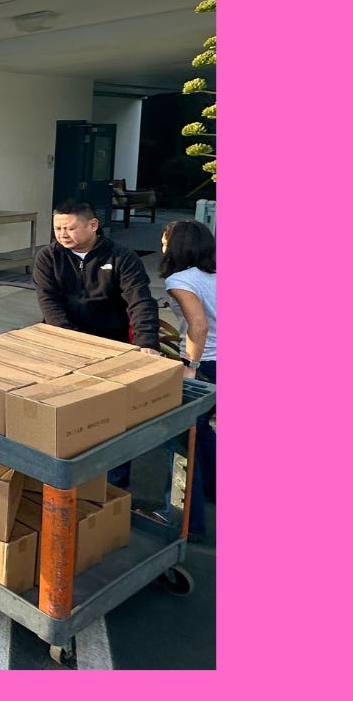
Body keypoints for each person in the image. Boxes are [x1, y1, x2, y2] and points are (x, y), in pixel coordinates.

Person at [33, 198, 160, 488]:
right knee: (64, 414)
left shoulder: (121, 257)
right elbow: (49, 304)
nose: (62, 235)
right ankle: (61, 478)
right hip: (64, 345)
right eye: (57, 228)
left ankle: (114, 485)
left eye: (70, 228)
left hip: (111, 346)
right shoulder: (48, 257)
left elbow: (140, 301)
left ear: (93, 225)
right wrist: (74, 344)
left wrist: (147, 343)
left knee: (112, 418)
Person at [150, 219, 217, 540]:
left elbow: (199, 326)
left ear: (175, 245)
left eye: (165, 240)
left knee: (182, 441)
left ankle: (186, 523)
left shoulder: (179, 279)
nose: (162, 245)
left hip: (206, 363)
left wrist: (190, 365)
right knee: (202, 431)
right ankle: (213, 491)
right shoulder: (216, 273)